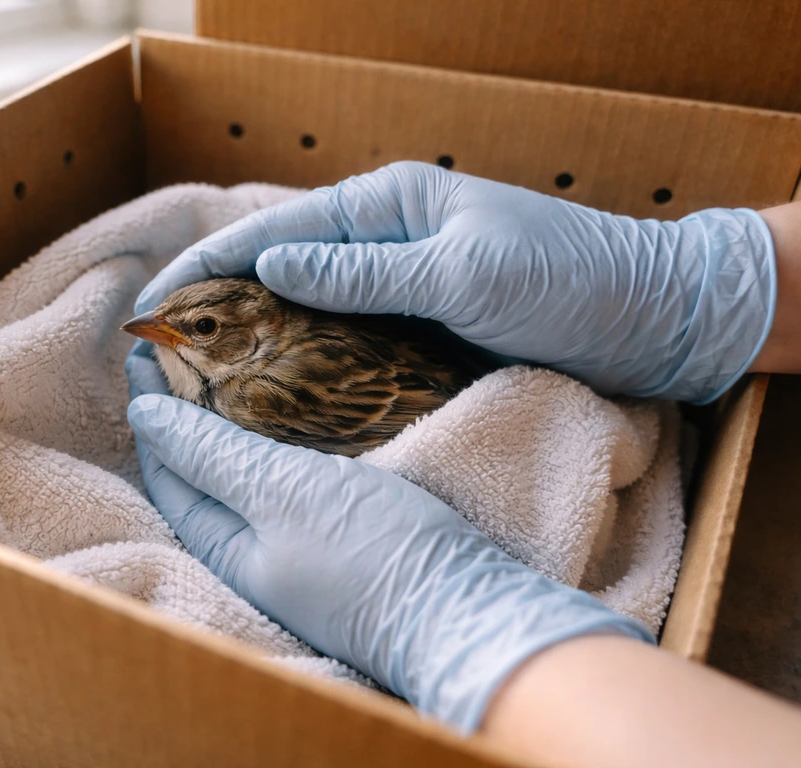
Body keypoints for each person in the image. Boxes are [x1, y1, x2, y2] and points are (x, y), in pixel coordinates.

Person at [124, 161, 801, 767]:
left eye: (203, 329)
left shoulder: (254, 396)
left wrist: (431, 613)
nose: (166, 336)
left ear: (255, 331)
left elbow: (420, 403)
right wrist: (696, 291)